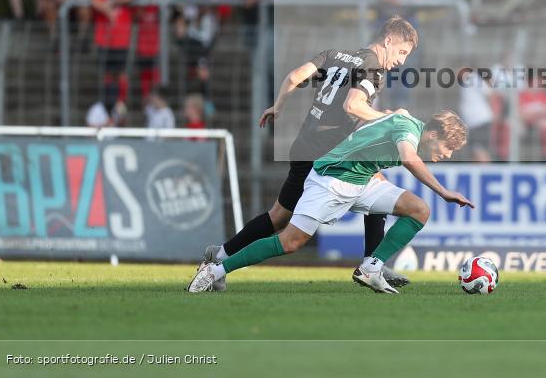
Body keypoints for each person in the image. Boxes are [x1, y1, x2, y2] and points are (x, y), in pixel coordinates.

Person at [200, 17, 420, 291]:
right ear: (388, 41)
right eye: (402, 52)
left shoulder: (335, 55)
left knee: (279, 216)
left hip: (304, 145)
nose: (401, 60)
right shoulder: (372, 65)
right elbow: (353, 105)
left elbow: (294, 77)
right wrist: (390, 118)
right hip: (326, 152)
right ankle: (371, 264)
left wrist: (278, 106)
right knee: (374, 191)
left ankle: (220, 254)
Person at [188, 110, 471, 295]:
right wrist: (443, 191)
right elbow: (409, 158)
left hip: (363, 181)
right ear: (433, 134)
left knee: (419, 210)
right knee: (289, 242)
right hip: (331, 180)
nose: (447, 155)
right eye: (448, 148)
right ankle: (216, 270)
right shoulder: (408, 129)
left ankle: (372, 267)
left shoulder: (407, 124)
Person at [91, 0, 133, 110]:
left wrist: (110, 3)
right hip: (104, 43)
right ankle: (108, 102)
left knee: (120, 73)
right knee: (106, 73)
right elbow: (94, 2)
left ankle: (121, 102)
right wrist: (108, 10)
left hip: (121, 43)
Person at [458, 67, 494, 163]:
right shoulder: (466, 82)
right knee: (474, 153)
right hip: (473, 123)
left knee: (480, 151)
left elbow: (489, 93)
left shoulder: (474, 79)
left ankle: (488, 170)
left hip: (480, 121)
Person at [135, 0, 163, 100]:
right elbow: (137, 15)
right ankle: (145, 99)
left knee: (156, 75)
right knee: (145, 76)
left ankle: (155, 99)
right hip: (143, 47)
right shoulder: (142, 5)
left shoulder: (161, 6)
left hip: (156, 48)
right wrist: (146, 2)